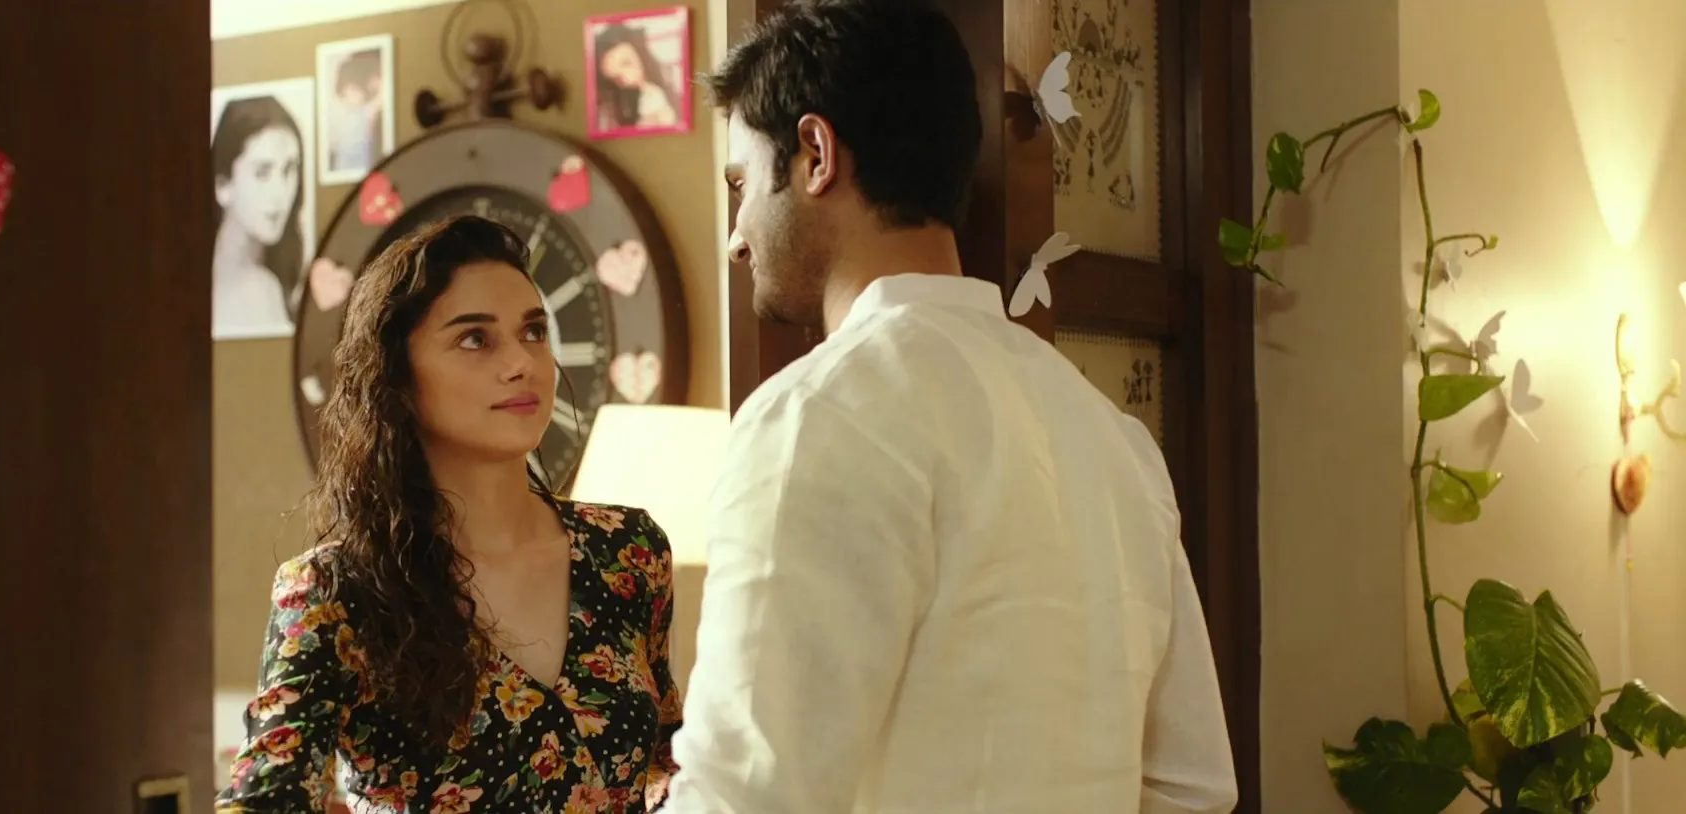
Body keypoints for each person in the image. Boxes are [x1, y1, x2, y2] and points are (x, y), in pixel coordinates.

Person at [659, 1, 1238, 812]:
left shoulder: (816, 417)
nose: (736, 236)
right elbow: (1191, 789)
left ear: (815, 154)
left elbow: (743, 797)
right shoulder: (1110, 433)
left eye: (740, 184)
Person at [217, 215, 682, 813]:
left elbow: (672, 767)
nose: (521, 362)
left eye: (534, 331)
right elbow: (264, 801)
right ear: (399, 377)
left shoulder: (628, 552)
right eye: (475, 339)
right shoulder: (335, 592)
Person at [211, 96, 306, 337]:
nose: (280, 193)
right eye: (262, 172)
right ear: (223, 186)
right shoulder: (260, 290)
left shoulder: (275, 278)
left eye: (289, 170)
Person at [593, 22, 679, 130]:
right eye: (616, 78)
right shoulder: (616, 108)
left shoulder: (669, 83)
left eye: (626, 63)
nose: (627, 78)